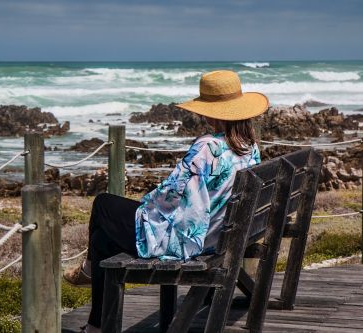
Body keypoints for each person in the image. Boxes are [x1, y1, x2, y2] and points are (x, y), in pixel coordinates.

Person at [63, 70, 269, 333]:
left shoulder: (207, 147)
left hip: (193, 241)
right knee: (103, 242)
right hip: (223, 235)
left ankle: (89, 271)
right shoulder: (249, 146)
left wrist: (147, 204)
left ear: (208, 111)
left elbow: (170, 195)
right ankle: (95, 325)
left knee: (103, 203)